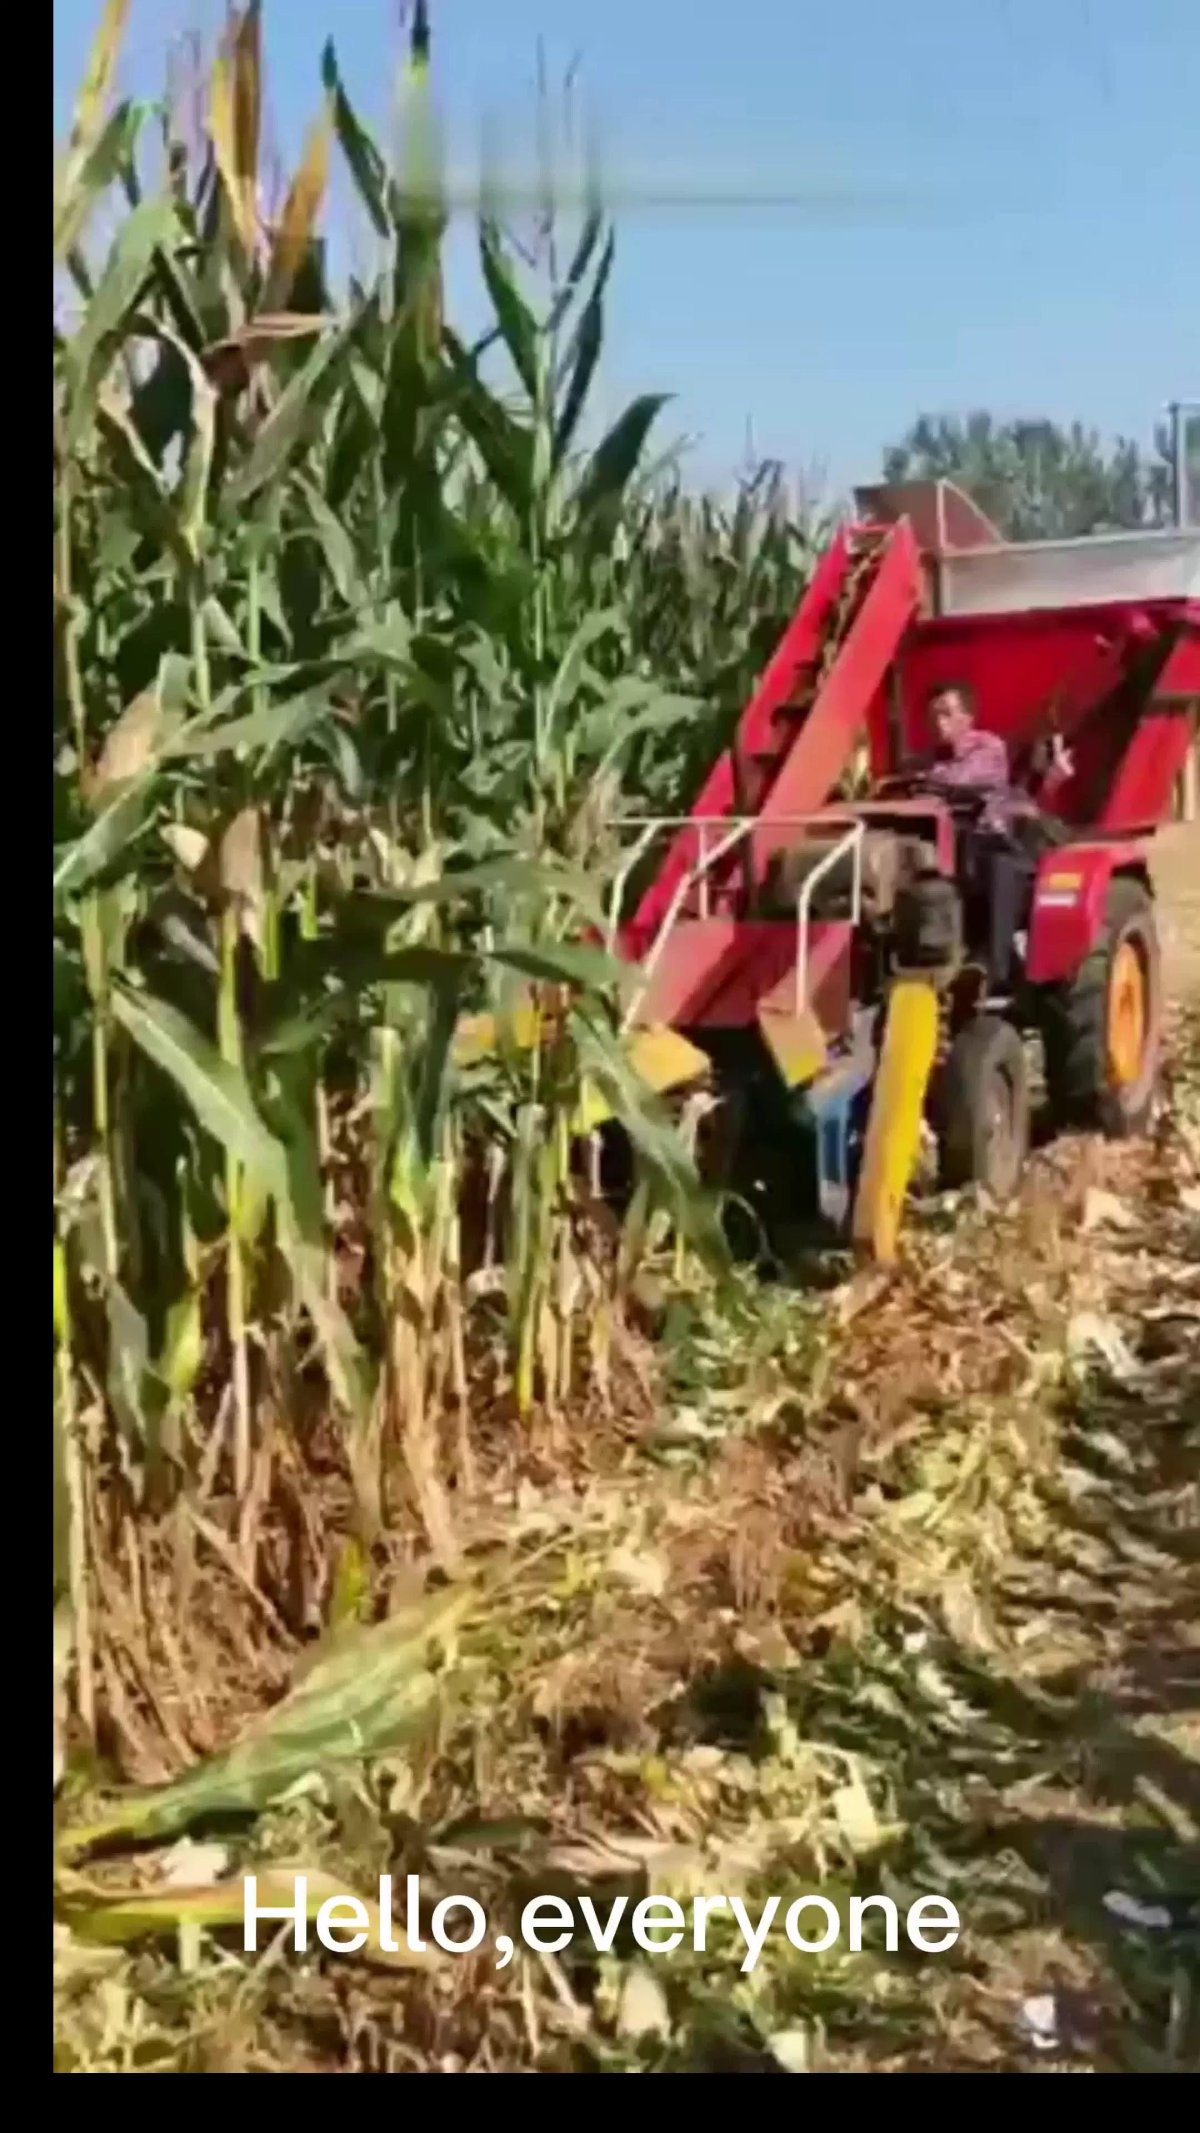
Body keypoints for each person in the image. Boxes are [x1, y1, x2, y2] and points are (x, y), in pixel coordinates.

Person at [903, 682, 1074, 992]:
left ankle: (991, 971)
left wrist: (923, 784)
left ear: (967, 718)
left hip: (989, 842)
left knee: (999, 866)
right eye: (932, 716)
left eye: (946, 714)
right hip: (942, 848)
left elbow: (965, 785)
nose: (938, 723)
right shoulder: (922, 762)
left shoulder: (987, 748)